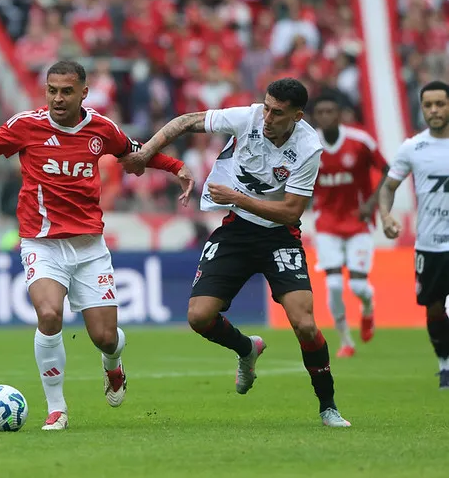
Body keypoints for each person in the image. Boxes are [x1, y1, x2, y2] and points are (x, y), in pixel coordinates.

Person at [0, 60, 194, 430]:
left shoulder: (101, 129)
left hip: (89, 248)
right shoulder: (26, 126)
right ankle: (57, 408)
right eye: (52, 90)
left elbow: (136, 152)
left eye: (67, 91)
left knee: (105, 338)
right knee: (49, 315)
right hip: (41, 243)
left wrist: (176, 166)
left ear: (84, 93)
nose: (58, 98)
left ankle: (113, 364)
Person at [120, 78, 351, 427]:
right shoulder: (248, 118)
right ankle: (246, 348)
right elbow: (184, 122)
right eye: (267, 107)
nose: (268, 117)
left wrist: (237, 197)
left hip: (279, 236)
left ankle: (328, 406)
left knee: (304, 324)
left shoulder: (308, 147)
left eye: (278, 113)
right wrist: (145, 154)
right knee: (199, 317)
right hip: (237, 230)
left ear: (297, 116)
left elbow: (291, 212)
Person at [378, 80, 449, 390]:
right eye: (428, 105)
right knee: (434, 308)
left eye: (440, 104)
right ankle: (444, 363)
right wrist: (385, 215)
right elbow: (388, 188)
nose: (434, 110)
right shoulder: (412, 147)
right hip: (429, 245)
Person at [311, 95, 389, 357]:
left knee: (357, 286)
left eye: (330, 110)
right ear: (315, 117)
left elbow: (388, 170)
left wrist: (372, 203)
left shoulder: (360, 142)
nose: (325, 116)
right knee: (333, 285)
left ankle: (368, 308)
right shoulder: (309, 145)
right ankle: (346, 341)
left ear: (340, 114)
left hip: (358, 220)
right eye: (320, 112)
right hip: (327, 223)